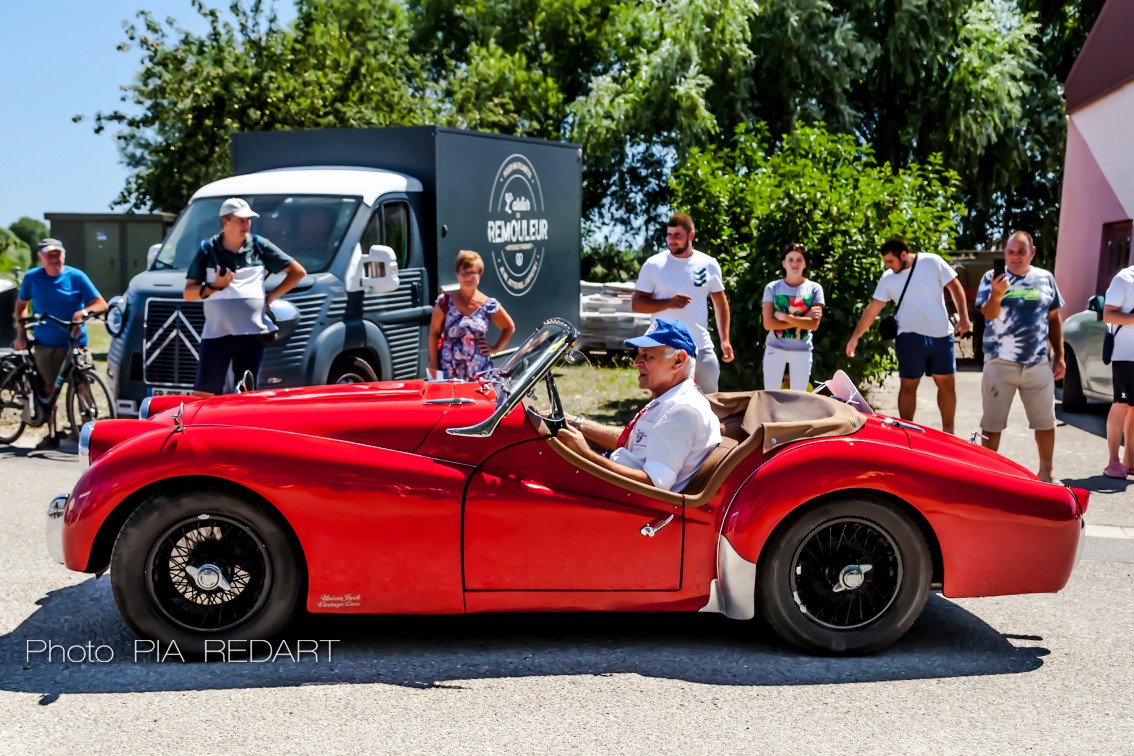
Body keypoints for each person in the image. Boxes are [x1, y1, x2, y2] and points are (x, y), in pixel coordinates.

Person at [556, 318, 721, 493]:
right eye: (639, 353)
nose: (636, 363)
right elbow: (635, 441)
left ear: (678, 361)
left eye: (648, 356)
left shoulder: (682, 411)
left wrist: (586, 455)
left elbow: (653, 484)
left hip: (629, 504)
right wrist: (576, 423)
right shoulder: (671, 399)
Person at [845, 237, 970, 434]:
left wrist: (964, 318)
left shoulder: (932, 262)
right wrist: (855, 337)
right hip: (909, 338)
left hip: (941, 335)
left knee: (947, 384)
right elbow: (873, 309)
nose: (887, 265)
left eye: (890, 261)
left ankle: (949, 432)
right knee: (908, 385)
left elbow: (955, 288)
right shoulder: (888, 278)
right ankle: (906, 433)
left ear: (903, 255)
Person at [184, 197, 307, 397]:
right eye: (241, 220)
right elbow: (188, 293)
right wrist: (215, 286)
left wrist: (272, 296)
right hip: (216, 335)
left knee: (247, 395)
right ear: (225, 222)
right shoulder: (207, 249)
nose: (246, 224)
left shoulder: (259, 245)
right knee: (203, 394)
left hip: (252, 336)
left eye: (248, 219)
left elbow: (298, 272)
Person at [975, 231, 1065, 483]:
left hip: (1038, 362)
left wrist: (1060, 356)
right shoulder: (992, 278)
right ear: (1005, 253)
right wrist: (996, 294)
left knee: (1045, 420)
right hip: (999, 361)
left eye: (1021, 252)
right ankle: (986, 474)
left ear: (1032, 252)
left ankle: (1047, 471)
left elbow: (1053, 318)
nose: (1015, 257)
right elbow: (988, 314)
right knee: (992, 422)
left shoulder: (1045, 278)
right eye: (1010, 252)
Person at [13, 238, 108, 449]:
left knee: (83, 384)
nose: (55, 259)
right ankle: (52, 433)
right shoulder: (32, 278)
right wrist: (21, 333)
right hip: (46, 343)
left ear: (64, 255)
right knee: (49, 388)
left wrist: (83, 313)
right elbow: (21, 306)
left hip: (75, 342)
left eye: (58, 254)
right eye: (50, 255)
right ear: (41, 257)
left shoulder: (76, 276)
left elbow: (101, 303)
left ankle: (90, 433)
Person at [632, 213, 733, 393]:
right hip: (664, 350)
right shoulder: (654, 264)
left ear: (691, 235)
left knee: (711, 404)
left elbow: (720, 304)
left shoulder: (708, 264)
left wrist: (725, 340)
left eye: (677, 235)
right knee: (665, 405)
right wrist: (668, 303)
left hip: (700, 347)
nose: (672, 240)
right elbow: (637, 305)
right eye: (669, 235)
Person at [428, 250, 515, 380]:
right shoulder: (444, 301)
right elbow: (434, 333)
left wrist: (495, 348)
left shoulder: (489, 305)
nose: (468, 277)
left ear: (480, 273)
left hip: (480, 373)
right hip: (449, 371)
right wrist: (433, 365)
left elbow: (509, 327)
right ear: (457, 274)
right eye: (464, 273)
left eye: (472, 273)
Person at [762, 243, 824, 390]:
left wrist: (784, 317)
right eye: (790, 260)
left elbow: (813, 325)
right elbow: (768, 324)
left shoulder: (815, 289)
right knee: (771, 395)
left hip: (802, 350)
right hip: (775, 348)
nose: (794, 264)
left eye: (799, 260)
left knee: (799, 397)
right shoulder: (772, 288)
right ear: (784, 263)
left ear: (805, 264)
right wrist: (802, 318)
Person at [1101, 263, 1134, 478]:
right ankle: (1113, 462)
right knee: (1122, 404)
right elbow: (1109, 315)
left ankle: (1129, 462)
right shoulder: (1125, 278)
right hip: (1125, 356)